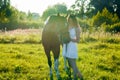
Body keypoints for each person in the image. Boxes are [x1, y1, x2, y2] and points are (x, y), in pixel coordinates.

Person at [62, 14, 83, 80]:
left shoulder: (77, 28)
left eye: (71, 20)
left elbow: (78, 40)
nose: (70, 21)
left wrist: (70, 39)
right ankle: (80, 75)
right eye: (69, 20)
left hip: (72, 46)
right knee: (71, 64)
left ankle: (75, 77)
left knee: (73, 64)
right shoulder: (66, 26)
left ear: (74, 20)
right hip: (66, 46)